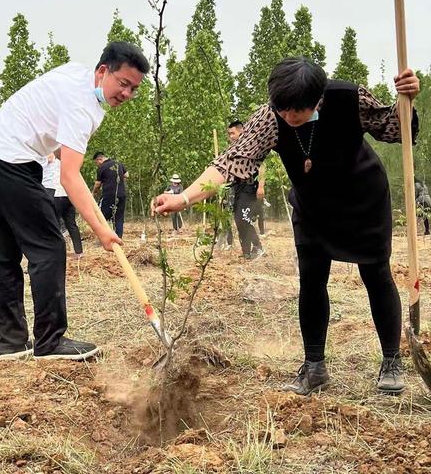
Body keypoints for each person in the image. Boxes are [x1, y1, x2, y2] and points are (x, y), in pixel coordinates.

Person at [154, 57, 420, 395]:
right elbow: (231, 162)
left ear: (318, 99)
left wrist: (405, 101)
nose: (290, 119)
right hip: (312, 206)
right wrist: (184, 198)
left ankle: (391, 361)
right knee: (311, 278)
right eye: (283, 112)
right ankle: (314, 367)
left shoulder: (348, 98)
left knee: (376, 273)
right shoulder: (270, 117)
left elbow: (395, 130)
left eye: (299, 112)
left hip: (363, 200)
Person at [0, 41, 149, 361]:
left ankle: (11, 342)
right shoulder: (83, 107)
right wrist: (101, 229)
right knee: (49, 247)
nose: (126, 94)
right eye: (123, 83)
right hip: (15, 161)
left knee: (6, 254)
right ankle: (49, 341)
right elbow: (70, 177)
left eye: (134, 89)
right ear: (103, 72)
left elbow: (54, 138)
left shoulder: (76, 74)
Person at [227, 121, 266, 260]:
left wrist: (261, 185)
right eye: (229, 134)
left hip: (249, 188)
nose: (231, 136)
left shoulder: (252, 146)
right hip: (237, 188)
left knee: (244, 219)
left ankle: (258, 246)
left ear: (241, 131)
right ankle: (246, 253)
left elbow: (262, 165)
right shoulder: (233, 149)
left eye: (233, 133)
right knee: (239, 220)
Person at [92, 152, 128, 239]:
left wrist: (93, 193)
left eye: (96, 163)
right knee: (119, 217)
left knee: (101, 217)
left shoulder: (102, 168)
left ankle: (104, 238)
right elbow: (127, 175)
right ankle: (118, 239)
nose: (97, 165)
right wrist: (118, 183)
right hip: (121, 194)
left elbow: (97, 184)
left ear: (99, 159)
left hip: (109, 195)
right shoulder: (118, 164)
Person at [53, 160, 84, 259]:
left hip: (56, 194)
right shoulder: (69, 160)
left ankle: (57, 253)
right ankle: (79, 251)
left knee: (54, 224)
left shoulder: (51, 157)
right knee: (71, 224)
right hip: (69, 194)